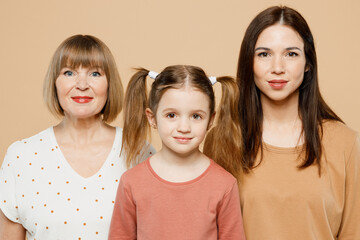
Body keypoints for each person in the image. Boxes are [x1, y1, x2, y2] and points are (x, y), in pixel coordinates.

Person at [210, 5, 360, 240]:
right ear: (249, 63)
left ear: (308, 63)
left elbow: (353, 232)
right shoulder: (222, 138)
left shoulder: (345, 143)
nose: (277, 68)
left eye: (291, 54)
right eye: (264, 54)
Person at [0, 35, 154, 240]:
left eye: (95, 73)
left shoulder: (140, 151)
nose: (82, 84)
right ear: (55, 82)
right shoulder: (21, 156)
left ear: (110, 84)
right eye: (69, 72)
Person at [108, 65, 246, 239]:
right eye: (171, 115)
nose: (184, 127)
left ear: (210, 120)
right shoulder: (131, 182)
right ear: (152, 118)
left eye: (196, 116)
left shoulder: (224, 184)